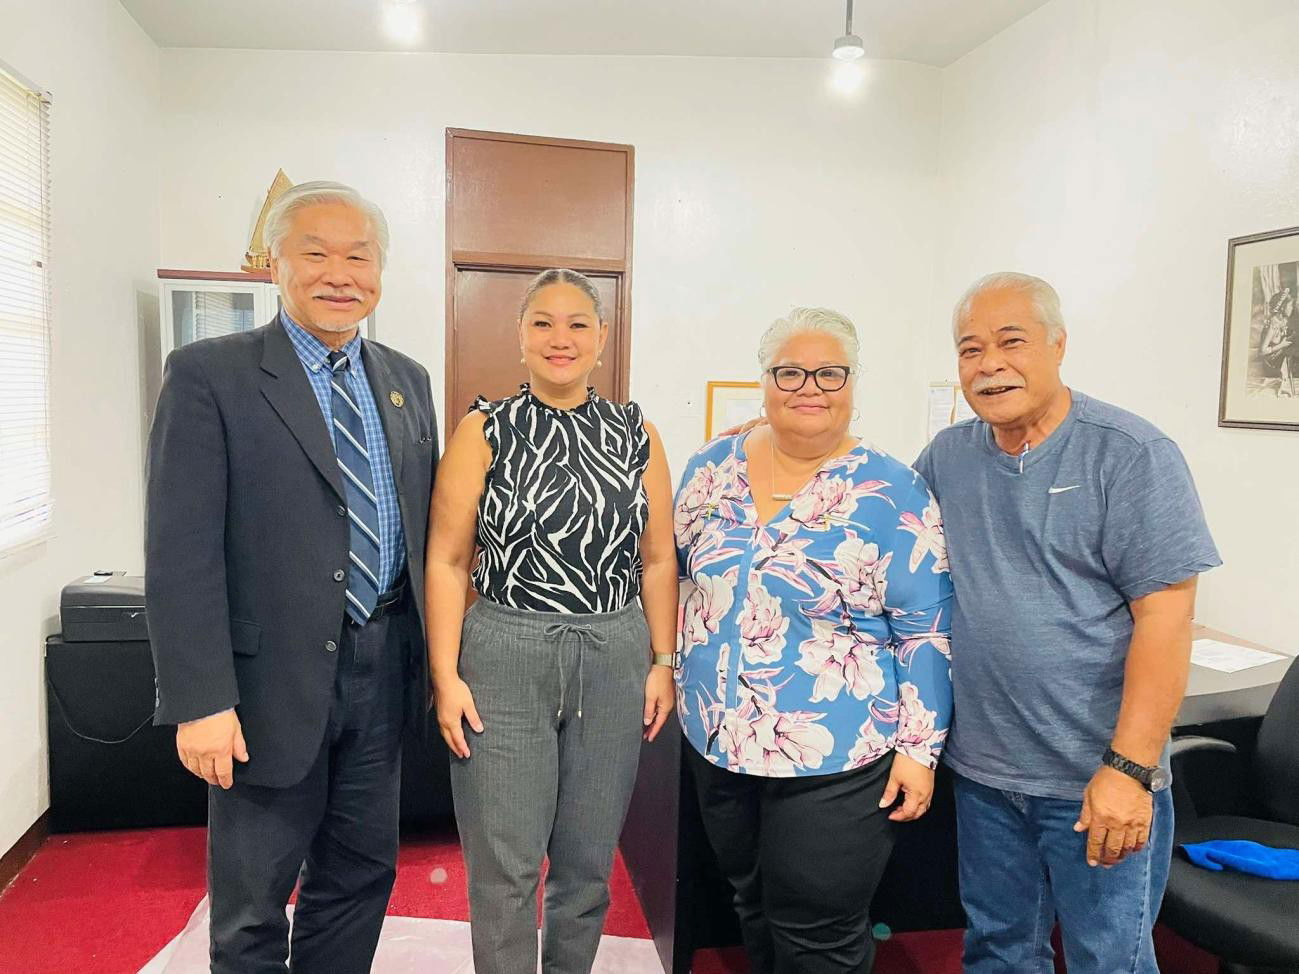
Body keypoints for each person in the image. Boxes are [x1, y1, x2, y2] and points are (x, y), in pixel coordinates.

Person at [146, 181, 439, 973]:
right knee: (252, 899)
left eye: (359, 255)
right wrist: (200, 701)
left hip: (383, 668)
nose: (340, 272)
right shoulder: (211, 374)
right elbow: (180, 552)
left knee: (359, 875)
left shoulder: (407, 379)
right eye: (316, 252)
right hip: (264, 681)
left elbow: (422, 531)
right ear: (274, 262)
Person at [913, 271, 1221, 974]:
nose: (988, 363)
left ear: (1058, 346)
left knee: (1106, 960)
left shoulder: (1129, 453)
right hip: (985, 773)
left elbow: (1167, 617)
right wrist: (784, 444)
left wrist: (1127, 770)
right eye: (968, 349)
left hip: (1093, 777)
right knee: (996, 948)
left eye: (1009, 341)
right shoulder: (948, 457)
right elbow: (873, 517)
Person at [673, 308, 954, 973]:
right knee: (749, 899)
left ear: (852, 382)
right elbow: (673, 571)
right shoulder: (712, 467)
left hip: (835, 750)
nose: (809, 387)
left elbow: (926, 628)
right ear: (764, 381)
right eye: (790, 371)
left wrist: (920, 750)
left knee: (817, 927)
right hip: (716, 739)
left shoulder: (891, 490)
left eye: (829, 373)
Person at [425, 268, 677, 974]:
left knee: (587, 863)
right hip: (506, 649)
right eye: (542, 323)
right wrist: (444, 675)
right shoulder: (484, 430)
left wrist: (663, 660)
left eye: (576, 324)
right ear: (520, 337)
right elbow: (446, 560)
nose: (559, 339)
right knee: (503, 868)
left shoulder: (637, 434)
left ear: (601, 339)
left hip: (614, 652)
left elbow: (658, 560)